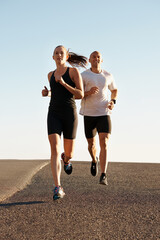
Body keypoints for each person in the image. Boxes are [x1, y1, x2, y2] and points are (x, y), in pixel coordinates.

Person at [42, 45, 87, 200]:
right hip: (53, 113)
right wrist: (47, 93)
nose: (59, 55)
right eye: (56, 53)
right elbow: (57, 95)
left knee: (69, 153)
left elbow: (80, 94)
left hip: (69, 114)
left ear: (66, 56)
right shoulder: (50, 75)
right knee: (54, 148)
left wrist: (63, 83)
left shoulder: (73, 72)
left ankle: (66, 160)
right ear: (52, 57)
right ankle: (57, 187)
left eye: (62, 53)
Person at [80, 51, 118, 185]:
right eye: (94, 57)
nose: (96, 59)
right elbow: (77, 94)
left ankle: (103, 174)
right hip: (89, 114)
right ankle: (94, 159)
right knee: (91, 145)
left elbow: (114, 90)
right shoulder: (84, 75)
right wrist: (88, 93)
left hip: (104, 113)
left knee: (105, 142)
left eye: (98, 57)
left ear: (102, 60)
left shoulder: (108, 75)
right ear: (89, 60)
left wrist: (113, 102)